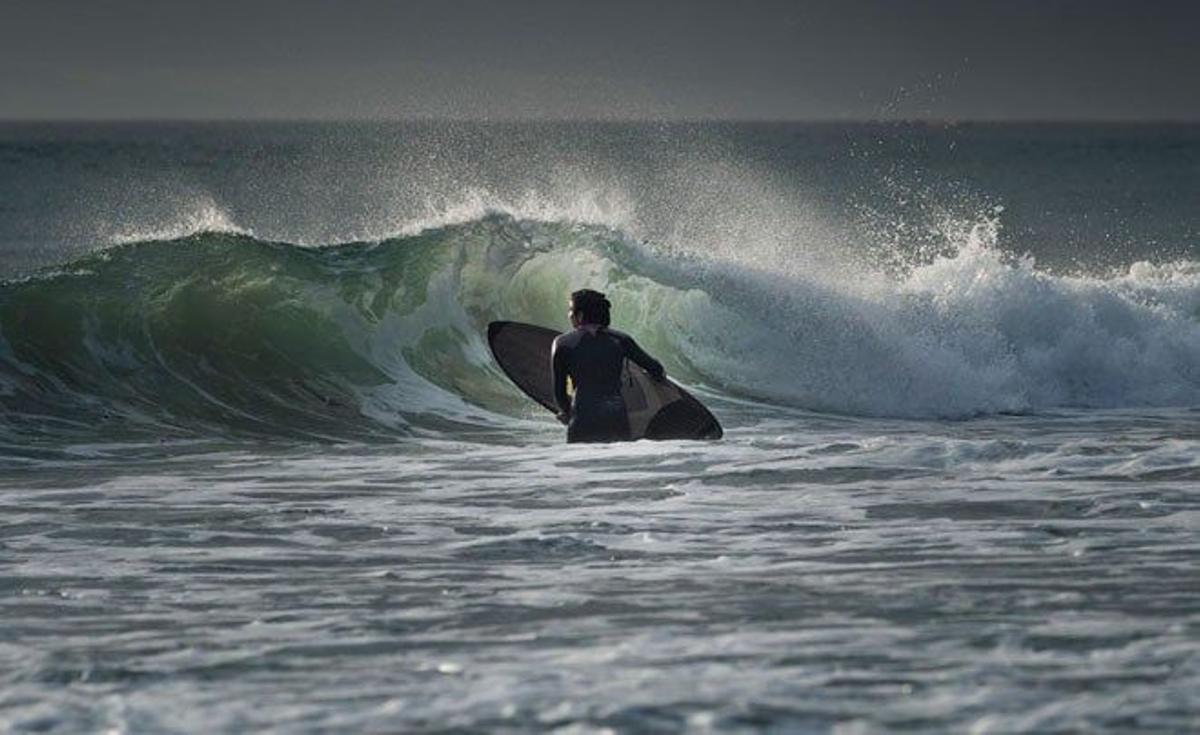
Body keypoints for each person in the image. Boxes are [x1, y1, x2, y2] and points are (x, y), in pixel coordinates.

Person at [551, 289, 666, 443]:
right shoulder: (621, 340)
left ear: (580, 315)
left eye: (571, 310)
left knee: (580, 466)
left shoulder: (563, 343)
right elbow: (656, 369)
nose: (569, 315)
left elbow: (559, 393)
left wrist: (567, 413)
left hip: (582, 419)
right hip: (616, 418)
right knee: (616, 466)